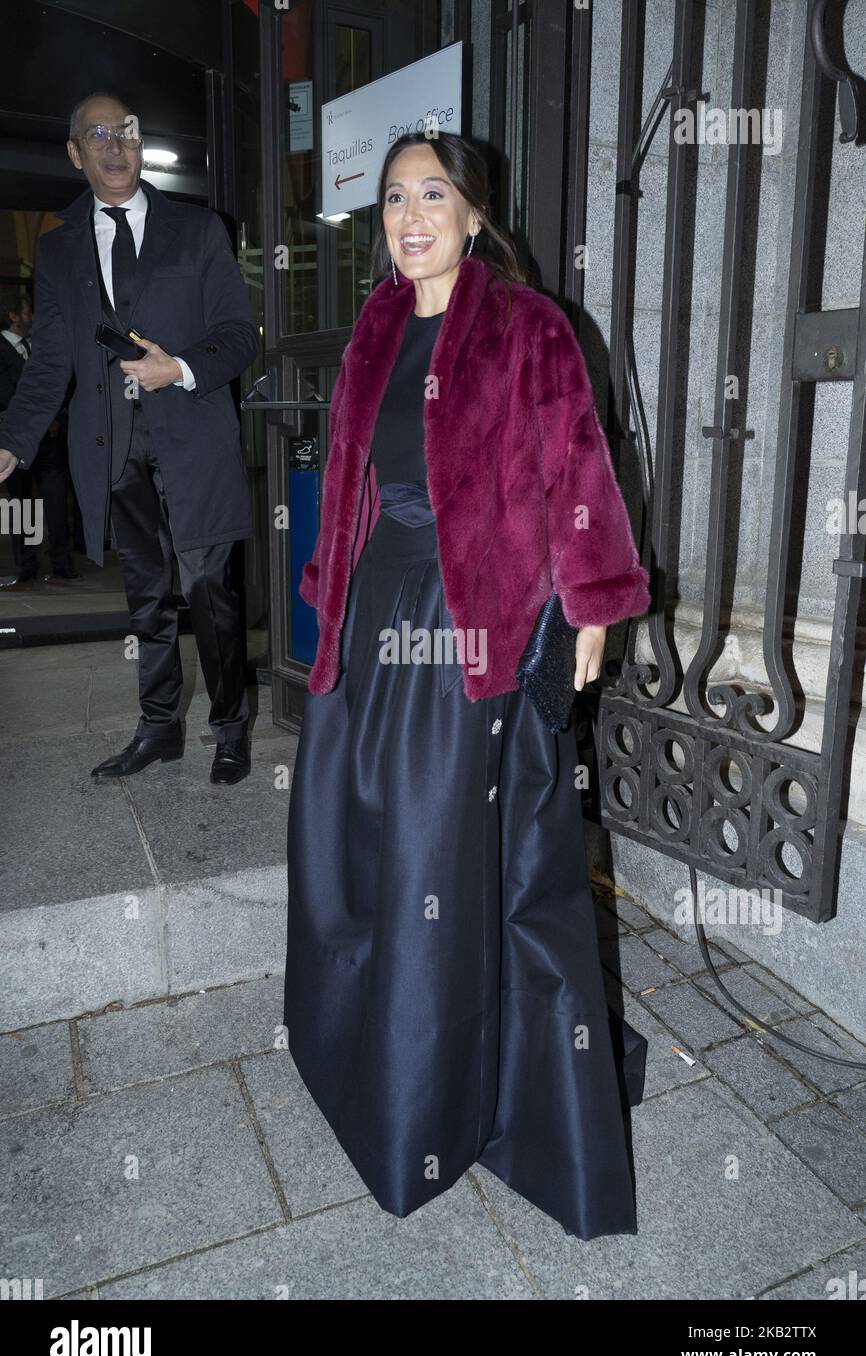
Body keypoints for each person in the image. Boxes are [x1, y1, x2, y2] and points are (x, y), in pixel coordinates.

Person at [283, 132, 653, 1241]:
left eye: (430, 193)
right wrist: (325, 599)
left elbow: (577, 468)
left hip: (466, 626)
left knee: (446, 858)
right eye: (393, 197)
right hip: (367, 622)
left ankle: (445, 1108)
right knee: (362, 844)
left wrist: (589, 599)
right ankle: (366, 1061)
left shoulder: (530, 328)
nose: (408, 215)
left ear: (473, 211)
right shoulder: (373, 331)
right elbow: (349, 477)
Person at [0, 92, 258, 784]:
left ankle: (231, 725)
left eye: (128, 134)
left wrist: (183, 366)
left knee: (210, 590)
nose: (116, 147)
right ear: (76, 154)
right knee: (145, 596)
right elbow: (51, 358)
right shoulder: (57, 250)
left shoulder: (199, 229)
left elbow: (238, 334)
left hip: (194, 432)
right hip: (110, 446)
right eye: (99, 136)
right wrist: (13, 440)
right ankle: (159, 727)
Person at [0, 289, 77, 587]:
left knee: (56, 501)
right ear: (13, 316)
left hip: (50, 439)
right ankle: (26, 565)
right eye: (27, 310)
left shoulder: (38, 347)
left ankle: (62, 562)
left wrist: (55, 418)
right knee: (21, 505)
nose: (32, 315)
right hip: (14, 440)